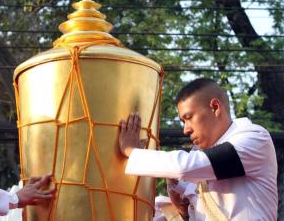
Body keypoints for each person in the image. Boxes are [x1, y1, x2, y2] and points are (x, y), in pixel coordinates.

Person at [118, 78, 278, 220]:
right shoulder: (198, 154)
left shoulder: (254, 137)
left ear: (215, 107)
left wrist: (131, 151)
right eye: (182, 121)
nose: (185, 130)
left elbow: (185, 167)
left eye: (188, 118)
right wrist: (183, 211)